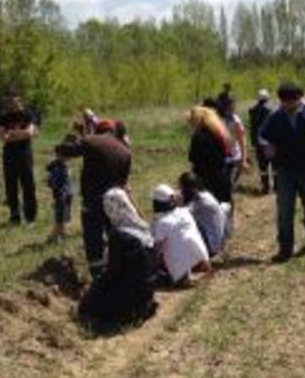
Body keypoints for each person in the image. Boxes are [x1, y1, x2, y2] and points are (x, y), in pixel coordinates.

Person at [259, 83, 305, 262]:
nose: (287, 106)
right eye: (284, 102)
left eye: (291, 102)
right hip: (284, 171)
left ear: (300, 98)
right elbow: (261, 135)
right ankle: (285, 248)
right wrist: (267, 147)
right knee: (285, 210)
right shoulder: (275, 116)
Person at [56, 120, 132, 278]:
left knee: (93, 238)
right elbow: (124, 184)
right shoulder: (125, 151)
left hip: (94, 199)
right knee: (115, 234)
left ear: (97, 131)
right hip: (115, 200)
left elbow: (66, 151)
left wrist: (69, 139)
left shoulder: (92, 140)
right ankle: (119, 269)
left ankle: (98, 276)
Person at [78, 185, 157, 326]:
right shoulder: (142, 226)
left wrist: (93, 290)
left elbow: (112, 273)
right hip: (148, 292)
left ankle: (123, 317)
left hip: (133, 298)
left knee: (87, 306)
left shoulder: (120, 235)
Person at [150, 185, 211, 286]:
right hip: (202, 258)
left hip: (180, 272)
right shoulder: (185, 212)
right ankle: (198, 269)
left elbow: (156, 251)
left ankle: (183, 277)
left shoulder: (162, 223)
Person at [0, 89, 38, 225]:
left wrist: (13, 134)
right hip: (9, 155)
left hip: (25, 154)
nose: (8, 103)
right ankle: (15, 217)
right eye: (6, 100)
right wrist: (20, 134)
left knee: (28, 186)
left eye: (10, 99)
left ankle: (30, 218)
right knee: (11, 186)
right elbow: (3, 137)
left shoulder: (28, 114)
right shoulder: (3, 116)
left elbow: (30, 133)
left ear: (18, 98)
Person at [188, 107, 235, 205]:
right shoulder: (220, 133)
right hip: (222, 176)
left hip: (206, 180)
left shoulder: (198, 136)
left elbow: (193, 159)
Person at [179, 172, 231, 258]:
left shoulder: (200, 201)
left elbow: (180, 216)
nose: (180, 190)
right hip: (216, 242)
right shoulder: (206, 194)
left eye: (181, 188)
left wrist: (176, 201)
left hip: (211, 247)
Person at [216, 92, 249, 186]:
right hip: (219, 157)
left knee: (228, 186)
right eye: (230, 104)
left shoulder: (235, 119)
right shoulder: (214, 118)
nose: (232, 106)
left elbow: (242, 140)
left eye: (232, 104)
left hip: (233, 157)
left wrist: (243, 160)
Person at [248, 89, 274, 194]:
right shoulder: (271, 110)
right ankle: (276, 187)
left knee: (262, 166)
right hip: (269, 142)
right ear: (267, 98)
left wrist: (253, 142)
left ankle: (265, 187)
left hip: (258, 142)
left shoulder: (252, 111)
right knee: (274, 165)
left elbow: (252, 127)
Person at [46, 146, 73, 244]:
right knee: (60, 218)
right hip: (61, 196)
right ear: (60, 156)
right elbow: (53, 183)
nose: (70, 158)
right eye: (68, 155)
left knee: (64, 217)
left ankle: (60, 234)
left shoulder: (63, 166)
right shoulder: (58, 168)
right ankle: (56, 236)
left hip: (66, 195)